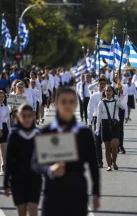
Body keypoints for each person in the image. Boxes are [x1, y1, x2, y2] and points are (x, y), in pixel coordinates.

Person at [32, 87, 100, 216]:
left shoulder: (84, 133)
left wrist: (96, 193)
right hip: (52, 193)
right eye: (63, 102)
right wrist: (49, 170)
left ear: (75, 104)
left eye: (71, 102)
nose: (67, 105)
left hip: (77, 192)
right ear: (56, 104)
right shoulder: (46, 132)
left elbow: (93, 165)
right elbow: (35, 163)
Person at [3, 104, 42, 216]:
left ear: (33, 116)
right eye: (23, 116)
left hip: (34, 177)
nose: (26, 119)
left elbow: (45, 159)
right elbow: (9, 159)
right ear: (18, 117)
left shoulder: (38, 134)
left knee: (33, 207)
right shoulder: (14, 134)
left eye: (29, 116)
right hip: (18, 178)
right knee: (22, 210)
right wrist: (6, 183)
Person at [96, 85, 125, 171]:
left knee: (114, 145)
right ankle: (109, 165)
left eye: (110, 91)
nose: (108, 92)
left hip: (115, 124)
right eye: (106, 91)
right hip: (105, 124)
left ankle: (114, 162)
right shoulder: (101, 103)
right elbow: (99, 116)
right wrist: (97, 128)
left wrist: (118, 99)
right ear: (104, 93)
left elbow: (123, 107)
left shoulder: (116, 101)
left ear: (113, 92)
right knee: (107, 147)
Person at [88, 78, 108, 168]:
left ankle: (110, 161)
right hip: (97, 120)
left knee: (108, 142)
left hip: (107, 120)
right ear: (98, 85)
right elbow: (90, 109)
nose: (102, 85)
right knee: (97, 142)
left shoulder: (110, 95)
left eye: (104, 83)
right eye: (101, 84)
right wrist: (89, 122)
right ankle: (99, 161)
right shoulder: (94, 96)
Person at [0, 91, 11, 172]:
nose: (1, 98)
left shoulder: (6, 107)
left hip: (4, 127)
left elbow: (8, 120)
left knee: (3, 148)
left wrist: (9, 129)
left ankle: (3, 163)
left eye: (3, 96)